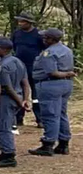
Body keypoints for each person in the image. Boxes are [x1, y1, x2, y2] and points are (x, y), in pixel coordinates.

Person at [29, 28, 75, 157]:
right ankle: (63, 143)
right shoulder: (67, 50)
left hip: (50, 84)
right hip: (66, 85)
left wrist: (65, 73)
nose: (43, 40)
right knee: (61, 113)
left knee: (50, 115)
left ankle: (48, 144)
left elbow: (52, 72)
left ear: (51, 39)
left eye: (45, 38)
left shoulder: (49, 53)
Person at [0, 38, 31, 167]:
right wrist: (25, 99)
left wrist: (21, 102)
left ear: (4, 49)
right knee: (6, 124)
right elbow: (25, 83)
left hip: (7, 99)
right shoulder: (18, 62)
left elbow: (7, 87)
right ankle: (5, 151)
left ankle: (9, 155)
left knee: (2, 127)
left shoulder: (3, 65)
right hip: (17, 97)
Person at [11, 12, 45, 127]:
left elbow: (43, 50)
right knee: (19, 92)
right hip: (20, 67)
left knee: (36, 94)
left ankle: (40, 119)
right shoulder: (17, 34)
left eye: (23, 21)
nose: (20, 23)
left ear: (29, 23)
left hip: (34, 67)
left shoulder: (38, 35)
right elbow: (14, 47)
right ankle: (19, 118)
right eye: (19, 21)